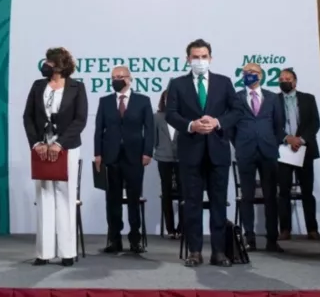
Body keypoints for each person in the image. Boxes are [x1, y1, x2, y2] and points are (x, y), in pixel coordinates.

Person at [166, 39, 245, 268]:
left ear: (210, 58)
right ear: (188, 59)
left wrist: (218, 122)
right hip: (190, 151)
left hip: (218, 151)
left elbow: (237, 110)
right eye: (195, 57)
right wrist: (192, 125)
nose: (199, 61)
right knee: (192, 204)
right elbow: (171, 114)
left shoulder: (224, 82)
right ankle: (195, 251)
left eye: (203, 56)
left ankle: (219, 252)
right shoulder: (178, 84)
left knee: (219, 203)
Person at [23, 47, 88, 266]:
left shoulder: (77, 87)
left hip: (67, 147)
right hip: (42, 147)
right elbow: (28, 116)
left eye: (50, 62)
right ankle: (43, 253)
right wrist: (37, 143)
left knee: (65, 197)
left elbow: (80, 120)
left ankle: (68, 252)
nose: (46, 65)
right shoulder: (38, 85)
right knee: (44, 197)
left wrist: (60, 144)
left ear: (60, 66)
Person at [94, 65, 154, 254]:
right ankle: (114, 239)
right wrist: (98, 154)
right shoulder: (104, 102)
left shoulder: (143, 101)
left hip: (134, 157)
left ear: (130, 79)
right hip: (111, 157)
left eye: (120, 76)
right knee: (112, 199)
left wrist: (147, 153)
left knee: (134, 199)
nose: (117, 79)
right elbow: (98, 130)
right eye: (113, 77)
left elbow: (149, 129)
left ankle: (135, 239)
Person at [233, 62, 285, 253]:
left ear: (261, 76)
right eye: (246, 72)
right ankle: (249, 239)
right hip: (245, 151)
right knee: (246, 196)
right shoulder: (236, 97)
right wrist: (239, 142)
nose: (249, 75)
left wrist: (272, 141)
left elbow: (279, 124)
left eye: (253, 72)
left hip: (268, 151)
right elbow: (231, 126)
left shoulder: (272, 98)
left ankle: (272, 239)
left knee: (271, 196)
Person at [276, 67, 320, 241]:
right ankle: (285, 229)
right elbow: (272, 125)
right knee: (283, 192)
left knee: (307, 191)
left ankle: (312, 229)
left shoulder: (308, 99)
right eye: (281, 79)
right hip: (283, 150)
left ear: (294, 82)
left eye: (287, 78)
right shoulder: (274, 100)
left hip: (304, 150)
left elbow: (315, 123)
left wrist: (300, 140)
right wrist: (288, 138)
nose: (284, 81)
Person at [154, 89, 180, 240]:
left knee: (184, 193)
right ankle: (170, 228)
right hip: (163, 158)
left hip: (182, 159)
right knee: (167, 193)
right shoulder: (157, 117)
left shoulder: (183, 117)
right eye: (166, 98)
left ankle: (181, 228)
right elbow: (154, 138)